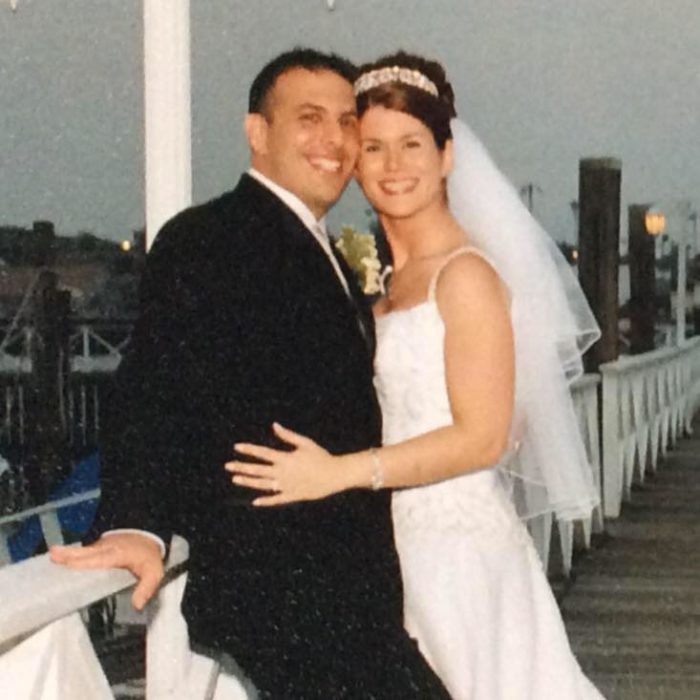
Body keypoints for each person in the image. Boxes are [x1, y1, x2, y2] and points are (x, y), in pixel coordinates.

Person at [50, 48, 450, 700]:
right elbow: (154, 389)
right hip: (283, 592)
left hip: (349, 594)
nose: (334, 140)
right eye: (309, 118)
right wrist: (136, 523)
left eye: (347, 122)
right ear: (257, 133)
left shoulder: (324, 252)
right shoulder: (211, 238)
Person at [227, 52, 606, 699]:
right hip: (385, 557)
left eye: (412, 145)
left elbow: (484, 437)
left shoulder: (467, 276)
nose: (393, 166)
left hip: (456, 557)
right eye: (373, 147)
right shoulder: (379, 287)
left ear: (447, 155)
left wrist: (340, 471)